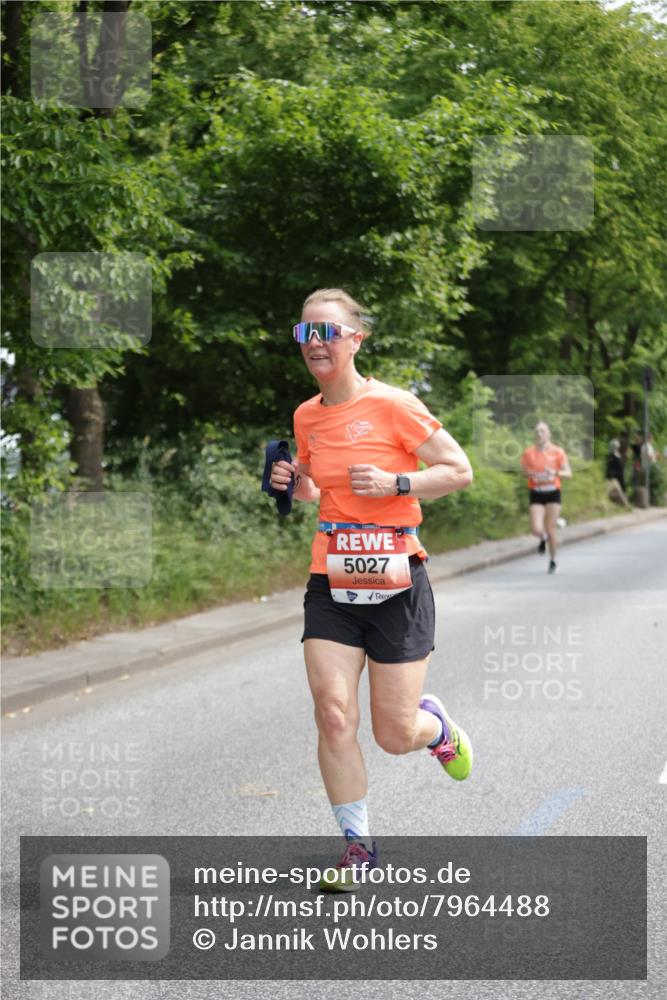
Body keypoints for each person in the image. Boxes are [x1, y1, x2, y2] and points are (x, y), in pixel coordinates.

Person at [269, 287, 473, 890]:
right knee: (333, 716)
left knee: (392, 733)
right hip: (330, 578)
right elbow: (316, 490)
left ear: (356, 337)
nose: (316, 344)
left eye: (328, 331)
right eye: (306, 333)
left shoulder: (394, 405)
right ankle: (358, 847)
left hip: (397, 578)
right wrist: (293, 481)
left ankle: (433, 728)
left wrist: (396, 482)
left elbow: (458, 470)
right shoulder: (307, 415)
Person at [520, 421, 572, 574]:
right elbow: (523, 472)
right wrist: (532, 474)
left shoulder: (557, 452)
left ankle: (553, 561)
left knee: (551, 529)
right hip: (536, 491)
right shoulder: (529, 453)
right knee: (536, 529)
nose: (539, 434)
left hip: (552, 491)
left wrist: (554, 473)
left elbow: (568, 473)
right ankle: (541, 538)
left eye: (542, 431)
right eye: (537, 431)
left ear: (549, 434)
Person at [605, 439, 631, 508]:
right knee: (618, 489)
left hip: (619, 474)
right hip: (615, 475)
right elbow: (610, 467)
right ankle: (621, 503)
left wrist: (625, 457)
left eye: (617, 446)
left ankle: (624, 503)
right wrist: (611, 475)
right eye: (616, 446)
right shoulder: (611, 456)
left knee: (623, 487)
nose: (617, 448)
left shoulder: (616, 454)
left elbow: (620, 464)